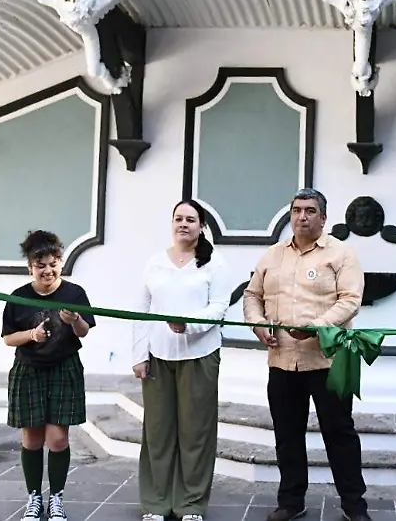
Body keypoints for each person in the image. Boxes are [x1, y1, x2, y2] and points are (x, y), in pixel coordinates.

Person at [243, 188, 372, 521]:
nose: (302, 216)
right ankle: (290, 501)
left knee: (339, 435)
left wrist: (317, 327)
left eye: (310, 211)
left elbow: (350, 300)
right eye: (297, 210)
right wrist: (257, 324)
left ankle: (354, 506)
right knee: (287, 436)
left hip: (327, 362)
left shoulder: (341, 254)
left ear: (324, 218)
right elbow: (251, 295)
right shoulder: (271, 255)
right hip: (282, 361)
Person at [132, 200, 230, 521]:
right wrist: (139, 355)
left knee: (195, 433)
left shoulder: (214, 265)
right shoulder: (154, 263)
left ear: (201, 226)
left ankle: (190, 505)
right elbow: (140, 311)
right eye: (178, 218)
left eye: (190, 219)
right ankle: (156, 504)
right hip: (158, 357)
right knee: (157, 432)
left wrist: (189, 323)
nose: (183, 224)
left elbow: (218, 308)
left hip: (199, 356)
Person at [1, 230, 97, 521]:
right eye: (40, 264)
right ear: (30, 266)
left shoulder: (74, 293)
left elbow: (85, 331)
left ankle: (56, 498)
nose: (48, 269)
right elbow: (7, 338)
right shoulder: (19, 297)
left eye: (53, 262)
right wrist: (31, 334)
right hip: (28, 369)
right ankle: (34, 498)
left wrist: (75, 319)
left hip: (64, 368)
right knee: (31, 439)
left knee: (57, 440)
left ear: (61, 262)